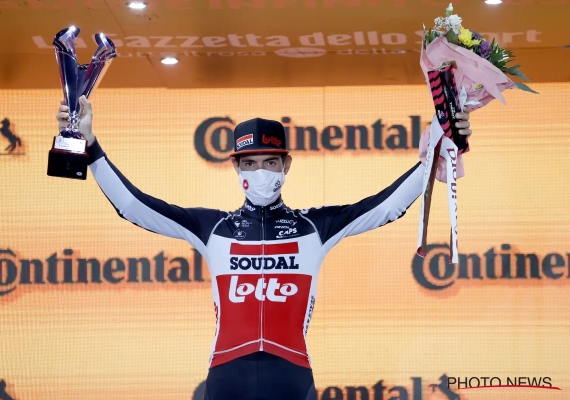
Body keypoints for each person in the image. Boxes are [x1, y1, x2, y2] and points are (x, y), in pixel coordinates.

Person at [56, 96, 472, 400]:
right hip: (226, 378)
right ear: (235, 166)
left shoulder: (315, 227)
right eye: (250, 163)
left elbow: (387, 206)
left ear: (286, 165)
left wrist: (438, 150)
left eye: (270, 162)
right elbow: (132, 206)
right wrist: (90, 145)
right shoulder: (212, 227)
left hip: (291, 377)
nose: (261, 171)